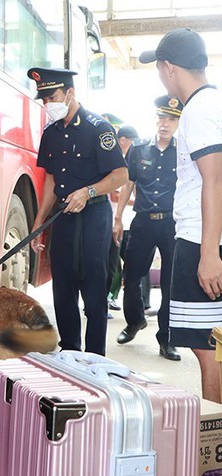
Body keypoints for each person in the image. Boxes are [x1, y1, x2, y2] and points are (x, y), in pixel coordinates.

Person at [140, 28, 222, 402]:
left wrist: (208, 255)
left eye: (159, 69)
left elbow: (213, 181)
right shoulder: (212, 104)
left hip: (199, 240)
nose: (160, 76)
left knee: (208, 349)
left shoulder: (199, 110)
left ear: (169, 67)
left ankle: (214, 449)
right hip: (206, 236)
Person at [28, 67, 128, 356]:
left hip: (94, 218)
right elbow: (50, 179)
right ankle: (70, 352)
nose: (48, 104)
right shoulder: (51, 132)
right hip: (64, 218)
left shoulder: (98, 128)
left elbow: (120, 175)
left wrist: (89, 192)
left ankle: (96, 359)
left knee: (94, 291)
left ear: (70, 92)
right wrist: (38, 222)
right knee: (63, 287)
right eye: (44, 99)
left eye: (53, 97)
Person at [113, 95, 183, 362]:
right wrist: (118, 218)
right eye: (163, 118)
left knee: (170, 283)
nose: (166, 124)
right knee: (131, 276)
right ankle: (134, 321)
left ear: (178, 123)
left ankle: (166, 339)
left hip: (172, 224)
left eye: (172, 119)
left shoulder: (183, 151)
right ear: (156, 119)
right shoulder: (139, 148)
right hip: (142, 221)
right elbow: (128, 184)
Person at [106, 124, 139, 312]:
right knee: (111, 265)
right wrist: (138, 202)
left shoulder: (127, 161)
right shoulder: (114, 160)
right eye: (132, 142)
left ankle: (111, 298)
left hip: (122, 223)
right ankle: (105, 300)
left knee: (120, 265)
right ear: (123, 140)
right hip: (110, 221)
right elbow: (114, 193)